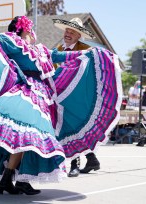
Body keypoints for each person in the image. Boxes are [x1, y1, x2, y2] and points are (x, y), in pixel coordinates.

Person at [0, 10, 123, 195]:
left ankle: (13, 179)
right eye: (30, 29)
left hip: (42, 98)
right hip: (24, 94)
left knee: (28, 140)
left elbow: (60, 56)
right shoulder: (12, 41)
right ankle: (15, 180)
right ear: (24, 30)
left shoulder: (40, 50)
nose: (33, 33)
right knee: (27, 136)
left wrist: (89, 53)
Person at [52, 17, 100, 178]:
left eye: (73, 31)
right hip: (61, 96)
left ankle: (75, 164)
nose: (68, 33)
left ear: (79, 35)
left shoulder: (86, 49)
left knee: (75, 128)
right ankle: (92, 159)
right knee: (70, 129)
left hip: (79, 97)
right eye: (67, 30)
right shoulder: (58, 49)